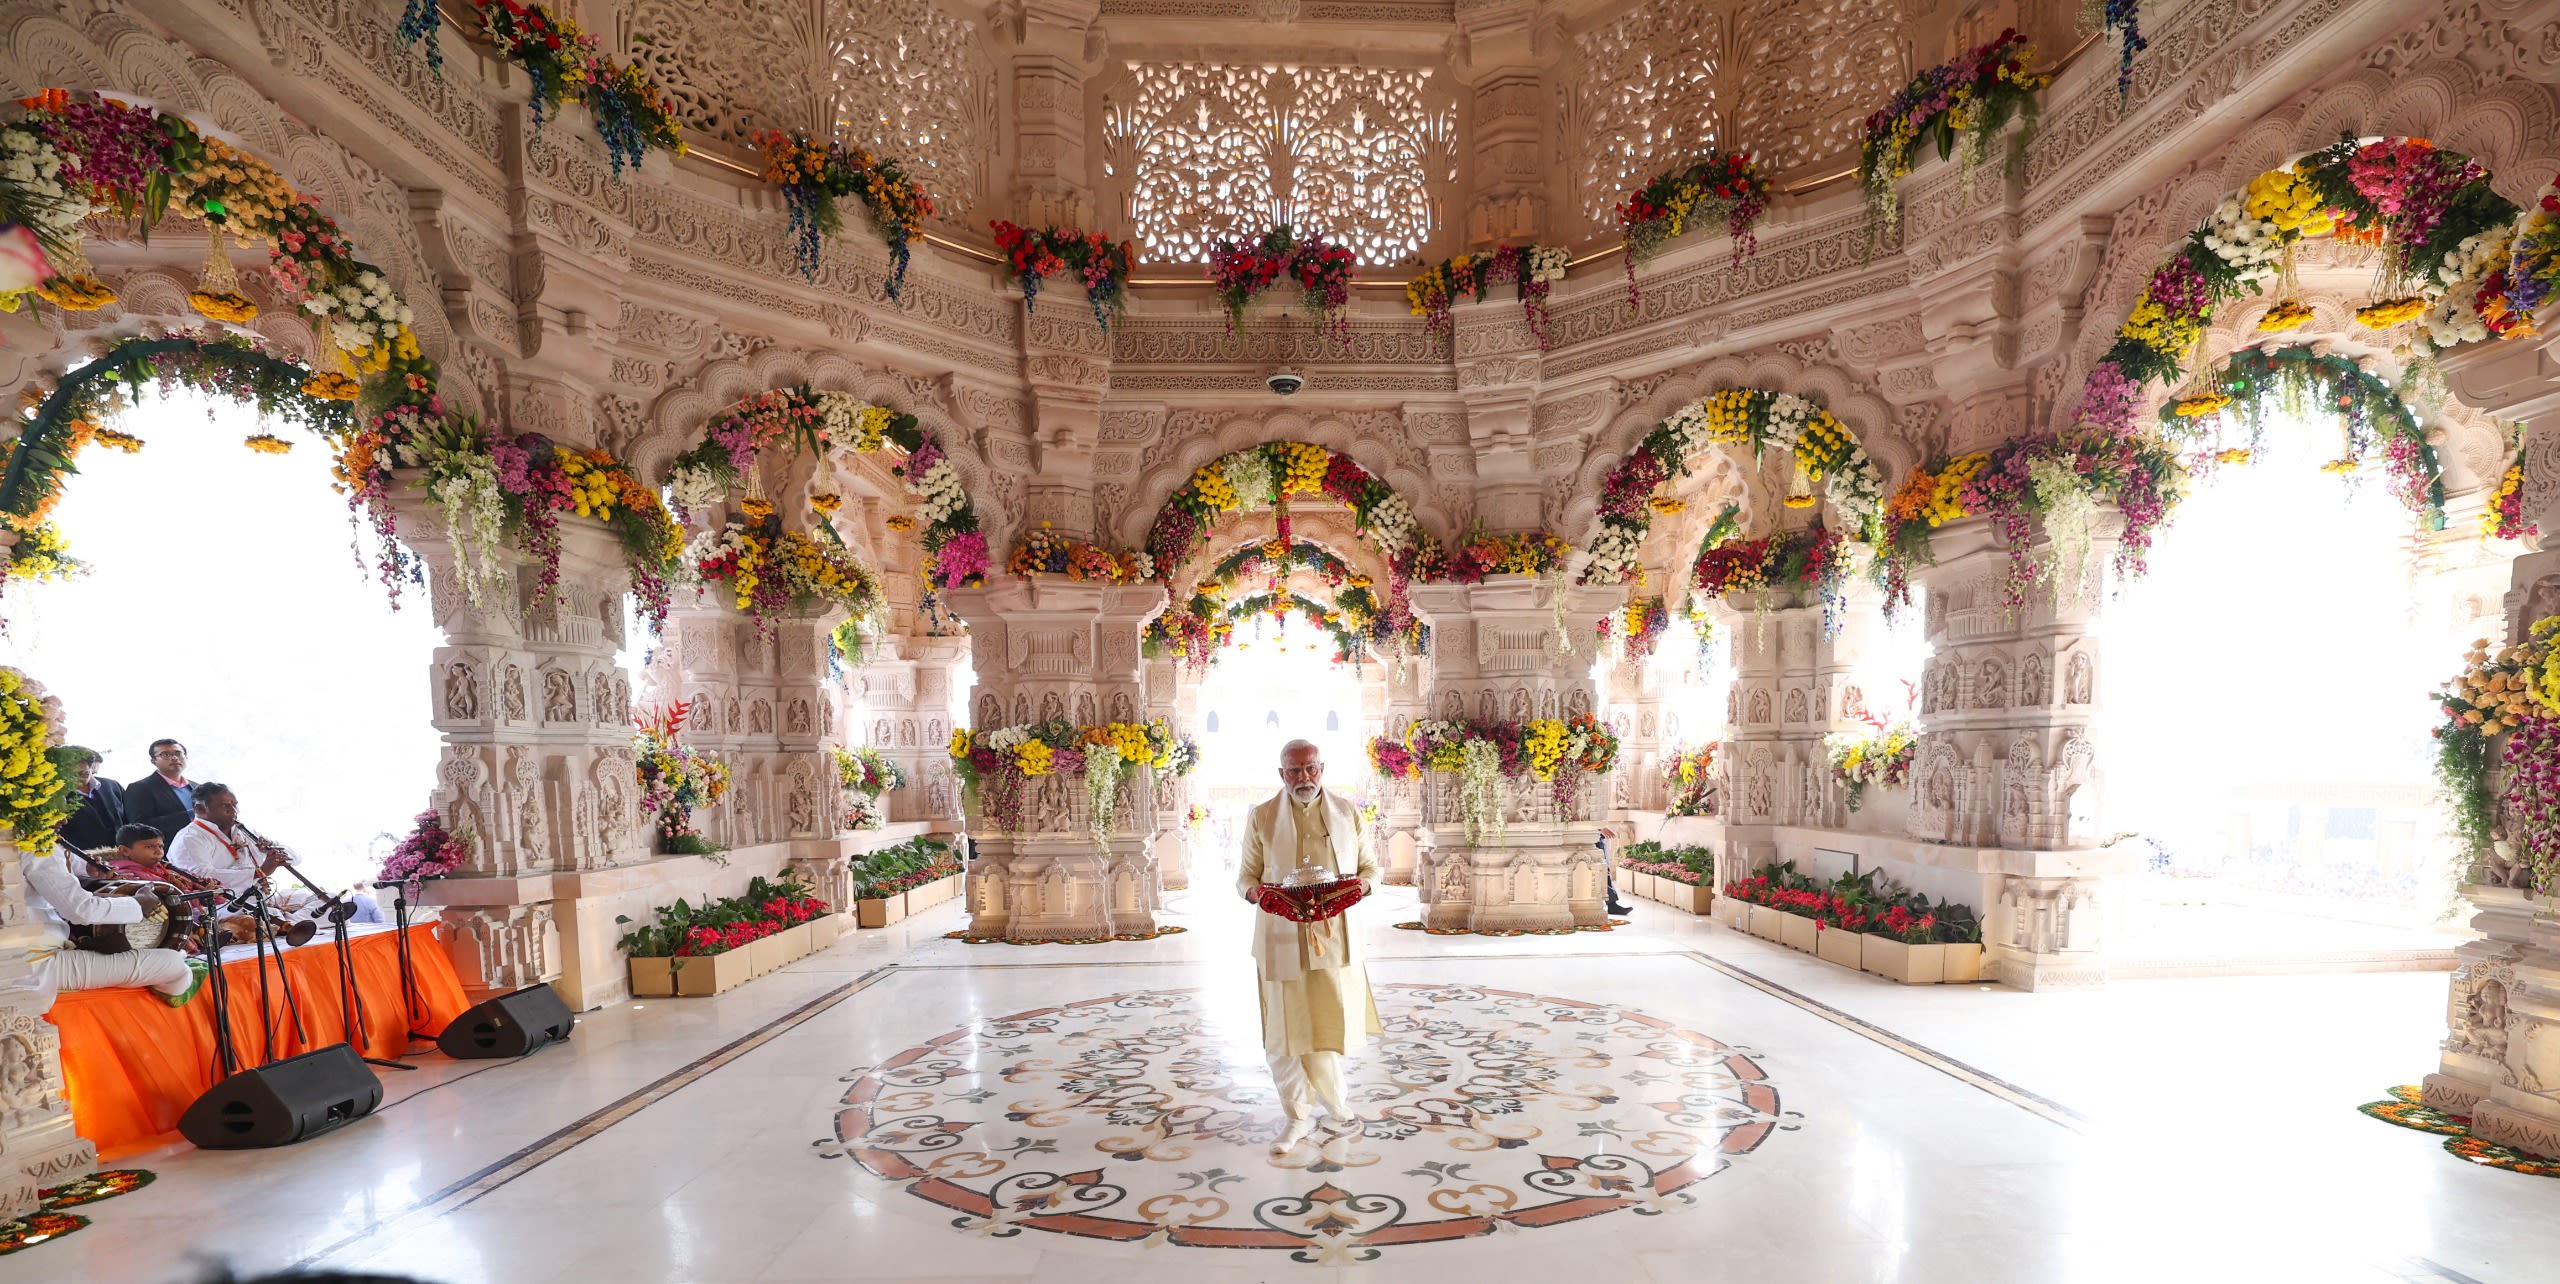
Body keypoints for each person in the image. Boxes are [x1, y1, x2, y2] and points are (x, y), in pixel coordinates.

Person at [1237, 739, 1381, 1153]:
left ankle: (1336, 1102)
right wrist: (1263, 897)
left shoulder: (1348, 813)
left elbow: (1370, 867)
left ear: (1323, 768)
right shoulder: (1262, 817)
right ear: (1281, 774)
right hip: (1280, 937)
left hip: (1333, 936)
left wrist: (1360, 888)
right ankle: (1295, 1116)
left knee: (1326, 1024)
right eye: (1295, 770)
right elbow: (1245, 878)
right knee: (1283, 1031)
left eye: (1311, 768)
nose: (1304, 777)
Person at [13, 838, 205, 1009]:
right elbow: (81, 910)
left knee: (169, 955)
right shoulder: (33, 843)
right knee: (173, 965)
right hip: (34, 964)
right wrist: (139, 904)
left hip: (23, 957)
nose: (64, 819)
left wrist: (86, 873)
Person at [167, 783, 381, 923]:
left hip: (266, 896)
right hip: (229, 906)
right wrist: (260, 872)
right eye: (225, 806)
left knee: (334, 902)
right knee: (262, 917)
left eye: (235, 805)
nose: (234, 811)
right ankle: (287, 924)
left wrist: (272, 851)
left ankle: (289, 924)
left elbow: (295, 858)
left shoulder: (242, 830)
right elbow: (201, 879)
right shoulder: (190, 838)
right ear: (200, 809)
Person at [122, 738, 196, 848]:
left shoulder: (197, 787)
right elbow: (140, 827)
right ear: (154, 761)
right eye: (166, 754)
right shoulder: (140, 788)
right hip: (166, 853)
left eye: (178, 753)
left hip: (203, 849)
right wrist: (191, 815)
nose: (174, 758)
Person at [56, 745, 129, 851]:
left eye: (83, 773)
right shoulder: (56, 795)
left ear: (92, 767)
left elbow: (127, 819)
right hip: (81, 859)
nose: (76, 778)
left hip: (122, 854)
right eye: (70, 774)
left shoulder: (112, 786)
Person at [1599, 824, 1632, 916]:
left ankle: (1612, 904)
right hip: (1591, 837)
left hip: (1599, 837)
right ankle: (1611, 904)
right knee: (1602, 871)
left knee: (1605, 870)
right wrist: (1600, 827)